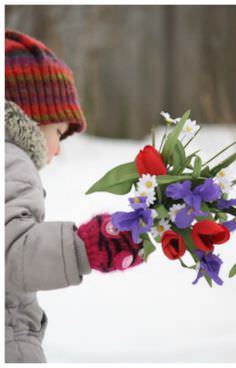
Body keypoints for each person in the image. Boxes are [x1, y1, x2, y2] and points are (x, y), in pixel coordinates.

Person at [5, 30, 144, 363]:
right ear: (28, 117)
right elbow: (10, 250)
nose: (56, 149)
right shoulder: (13, 160)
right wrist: (87, 246)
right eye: (58, 133)